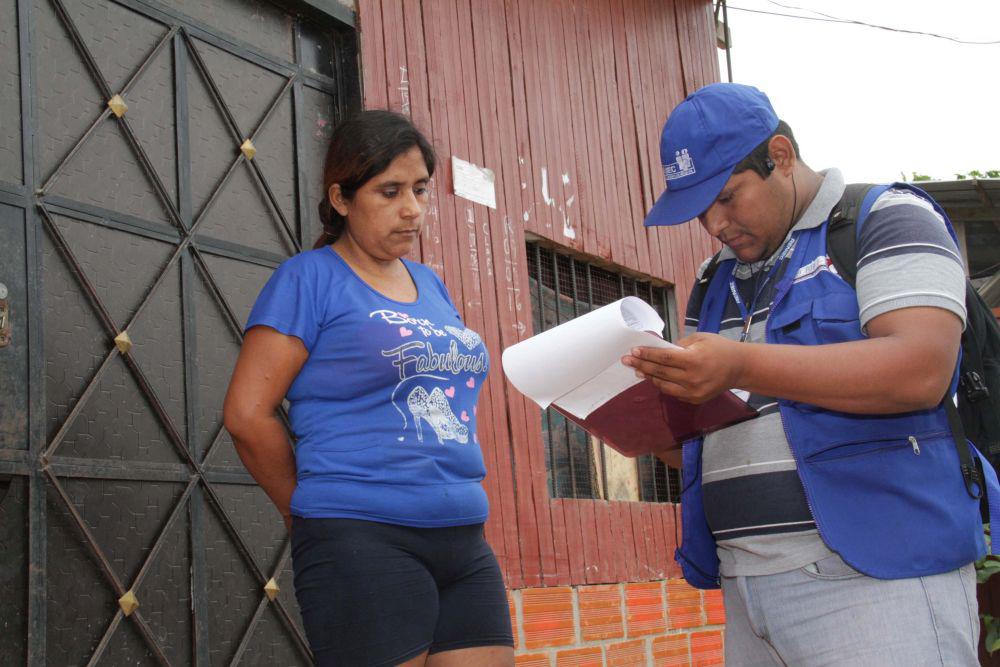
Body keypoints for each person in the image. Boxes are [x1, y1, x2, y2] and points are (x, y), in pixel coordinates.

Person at [627, 82, 999, 665]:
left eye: (726, 198)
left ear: (778, 156)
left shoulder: (887, 219)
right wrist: (649, 428)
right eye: (700, 210)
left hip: (876, 581)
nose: (715, 225)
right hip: (747, 589)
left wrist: (741, 363)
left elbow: (920, 369)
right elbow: (719, 437)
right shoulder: (713, 280)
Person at [223, 110, 514, 667]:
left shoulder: (430, 284)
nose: (412, 209)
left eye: (421, 190)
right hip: (362, 536)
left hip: (462, 538)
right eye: (390, 191)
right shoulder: (308, 279)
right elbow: (246, 413)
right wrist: (304, 511)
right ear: (341, 198)